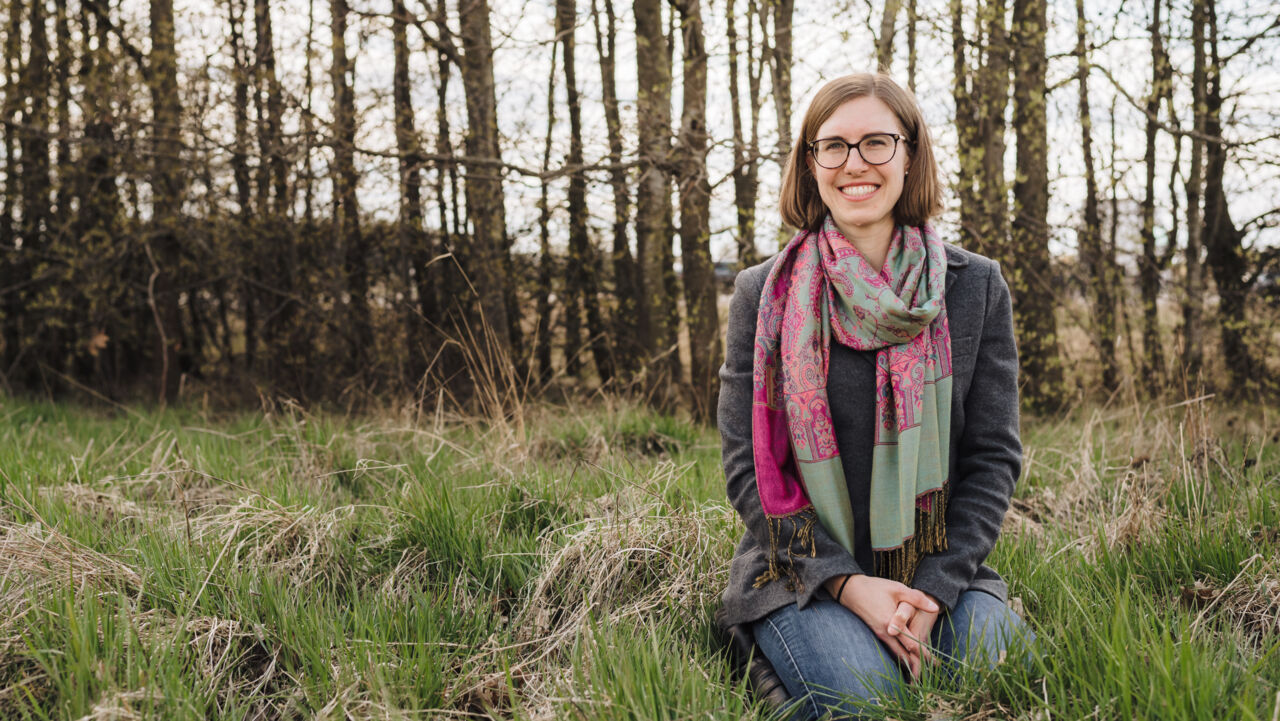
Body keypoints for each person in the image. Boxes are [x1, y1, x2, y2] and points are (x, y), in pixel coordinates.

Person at [716, 72, 1035, 720]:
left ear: (909, 154)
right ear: (811, 163)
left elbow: (992, 459)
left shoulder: (975, 287)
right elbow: (752, 469)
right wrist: (848, 584)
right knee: (871, 704)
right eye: (833, 145)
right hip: (802, 573)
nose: (854, 163)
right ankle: (763, 656)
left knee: (1010, 685)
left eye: (876, 143)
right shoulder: (762, 293)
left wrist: (933, 592)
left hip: (937, 570)